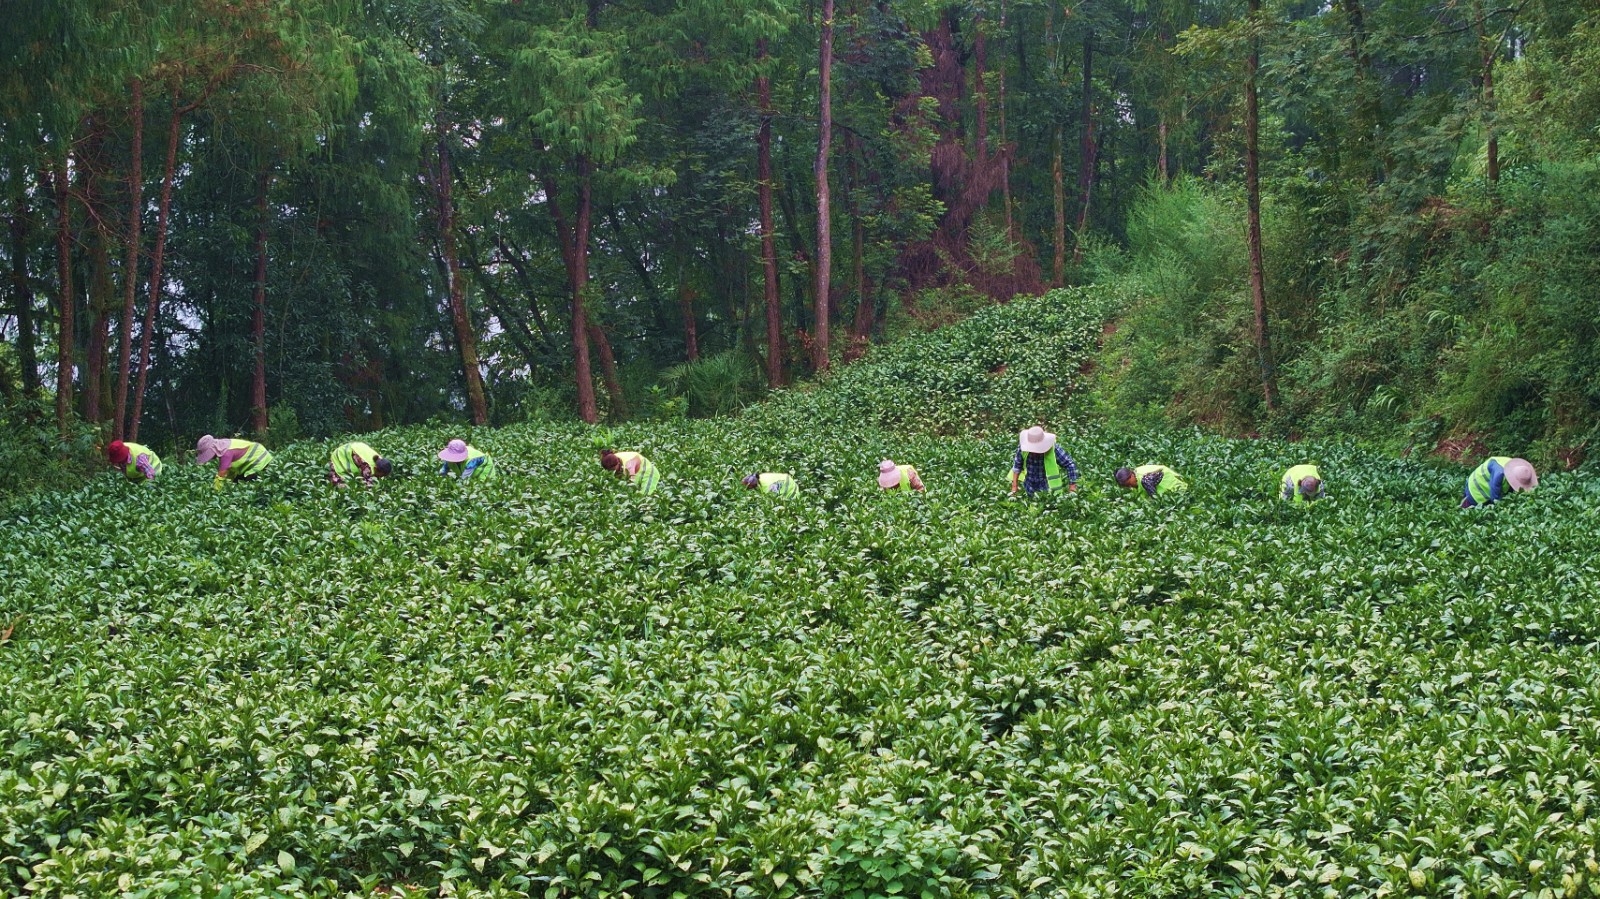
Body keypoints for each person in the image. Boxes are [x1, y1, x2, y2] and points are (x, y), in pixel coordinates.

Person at [1010, 426, 1078, 496]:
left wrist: (1072, 487)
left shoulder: (1053, 449)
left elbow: (1070, 464)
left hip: (1049, 491)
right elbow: (1017, 466)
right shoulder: (1023, 448)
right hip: (1029, 487)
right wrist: (1014, 486)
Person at [196, 435, 273, 490]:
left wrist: (216, 491)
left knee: (247, 485)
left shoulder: (226, 453)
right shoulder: (222, 445)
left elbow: (221, 475)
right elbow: (230, 470)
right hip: (257, 455)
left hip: (259, 458)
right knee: (237, 481)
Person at [1461, 456, 1537, 508]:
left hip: (1486, 486)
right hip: (1476, 491)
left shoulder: (1514, 466)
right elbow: (1495, 498)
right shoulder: (1499, 474)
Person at [1115, 464, 1188, 498]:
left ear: (1131, 475)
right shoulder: (1137, 474)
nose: (1130, 487)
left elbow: (1155, 499)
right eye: (1127, 486)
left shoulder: (1145, 479)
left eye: (1129, 484)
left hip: (1176, 487)